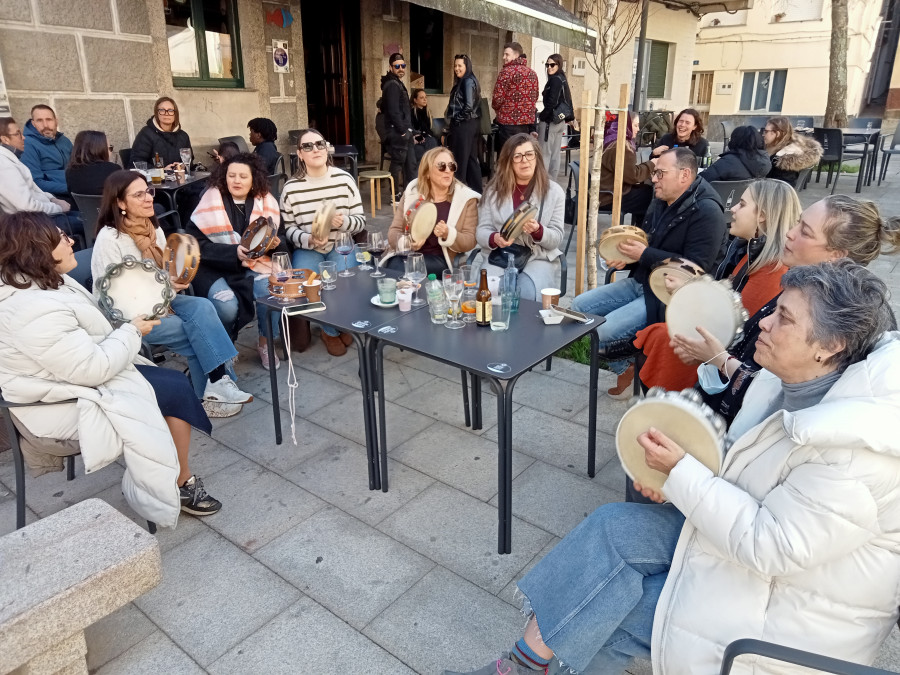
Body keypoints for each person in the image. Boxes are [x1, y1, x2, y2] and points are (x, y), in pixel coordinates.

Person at [444, 260, 900, 675]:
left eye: (784, 317)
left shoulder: (856, 451)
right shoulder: (788, 382)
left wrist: (683, 474)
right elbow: (747, 469)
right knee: (611, 527)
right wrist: (679, 478)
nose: (765, 321)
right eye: (773, 309)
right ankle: (523, 668)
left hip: (792, 611)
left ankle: (518, 670)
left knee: (615, 610)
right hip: (757, 562)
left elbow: (772, 546)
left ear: (831, 346)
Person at [0, 211, 223, 524]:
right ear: (37, 251)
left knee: (175, 378)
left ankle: (178, 468)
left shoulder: (46, 285)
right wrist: (132, 331)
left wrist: (158, 295)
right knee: (175, 390)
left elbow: (100, 323)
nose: (71, 241)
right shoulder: (31, 309)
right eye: (60, 238)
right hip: (59, 402)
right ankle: (180, 483)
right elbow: (90, 368)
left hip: (75, 376)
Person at [674, 194, 900, 428]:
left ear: (837, 255)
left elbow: (778, 397)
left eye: (805, 231)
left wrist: (719, 359)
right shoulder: (803, 289)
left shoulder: (837, 316)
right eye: (798, 222)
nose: (789, 233)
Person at [91, 170, 253, 418]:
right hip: (129, 316)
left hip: (161, 299)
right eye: (138, 194)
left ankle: (215, 388)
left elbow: (163, 272)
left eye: (148, 191)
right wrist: (164, 286)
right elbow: (113, 296)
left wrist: (171, 281)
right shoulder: (110, 239)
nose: (148, 198)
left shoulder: (152, 228)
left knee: (203, 306)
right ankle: (213, 389)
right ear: (120, 203)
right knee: (197, 333)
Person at [570, 148, 725, 386]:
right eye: (655, 172)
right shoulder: (662, 197)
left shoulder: (708, 211)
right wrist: (630, 257)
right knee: (579, 307)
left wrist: (644, 254)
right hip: (642, 280)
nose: (653, 178)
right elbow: (649, 240)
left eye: (660, 173)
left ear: (684, 175)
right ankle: (627, 366)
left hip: (668, 296)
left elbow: (696, 268)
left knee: (604, 331)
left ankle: (630, 363)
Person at [632, 179, 798, 397]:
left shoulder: (771, 270)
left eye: (742, 204)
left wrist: (688, 291)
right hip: (724, 354)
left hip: (728, 362)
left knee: (662, 337)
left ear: (763, 215)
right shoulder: (748, 252)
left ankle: (664, 404)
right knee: (660, 335)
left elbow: (731, 329)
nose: (734, 209)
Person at [186, 152, 288, 370]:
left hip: (255, 263)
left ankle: (265, 342)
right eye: (231, 175)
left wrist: (276, 243)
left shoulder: (267, 202)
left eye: (243, 176)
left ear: (254, 179)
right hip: (213, 267)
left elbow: (284, 240)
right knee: (227, 307)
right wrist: (234, 252)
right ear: (224, 177)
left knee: (272, 291)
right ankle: (226, 347)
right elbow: (194, 245)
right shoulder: (210, 200)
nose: (237, 180)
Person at [280, 129, 365, 356]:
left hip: (340, 244)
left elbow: (360, 222)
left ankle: (341, 324)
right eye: (307, 146)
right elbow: (288, 230)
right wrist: (308, 238)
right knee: (310, 283)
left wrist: (344, 222)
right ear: (300, 154)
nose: (315, 149)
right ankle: (330, 330)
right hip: (309, 248)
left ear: (326, 148)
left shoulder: (344, 180)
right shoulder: (290, 189)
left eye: (319, 144)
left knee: (347, 279)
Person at [476, 134, 564, 301]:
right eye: (517, 156)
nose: (525, 161)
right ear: (508, 162)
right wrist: (495, 238)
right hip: (501, 254)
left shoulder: (554, 192)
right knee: (488, 294)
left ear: (537, 157)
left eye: (529, 154)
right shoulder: (493, 191)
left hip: (537, 256)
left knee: (528, 295)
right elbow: (481, 231)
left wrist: (538, 231)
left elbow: (556, 238)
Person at [386, 146, 479, 277]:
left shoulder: (465, 198)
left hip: (442, 259)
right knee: (393, 266)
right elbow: (394, 231)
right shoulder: (412, 194)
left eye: (451, 166)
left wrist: (448, 234)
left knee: (401, 268)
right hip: (408, 254)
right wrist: (408, 243)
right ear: (427, 173)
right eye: (441, 166)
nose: (448, 170)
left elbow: (470, 240)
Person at [0, 117, 74, 219]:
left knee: (86, 217)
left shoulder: (11, 159)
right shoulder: (4, 166)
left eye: (49, 119)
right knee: (88, 222)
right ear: (5, 139)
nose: (23, 137)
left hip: (45, 214)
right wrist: (58, 208)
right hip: (34, 224)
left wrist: (52, 199)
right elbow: (27, 207)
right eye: (18, 134)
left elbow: (34, 189)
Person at [597, 111, 656, 227]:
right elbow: (632, 176)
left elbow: (628, 172)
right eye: (635, 125)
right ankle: (641, 233)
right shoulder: (621, 146)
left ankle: (639, 230)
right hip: (609, 197)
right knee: (650, 197)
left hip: (606, 192)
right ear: (626, 125)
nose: (638, 129)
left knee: (646, 190)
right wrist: (652, 164)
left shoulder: (614, 140)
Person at [444, 54, 483, 193]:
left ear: (467, 66)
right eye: (455, 65)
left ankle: (457, 193)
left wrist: (457, 120)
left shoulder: (467, 81)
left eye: (460, 65)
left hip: (464, 125)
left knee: (460, 159)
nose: (456, 68)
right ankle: (477, 193)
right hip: (470, 124)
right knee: (471, 160)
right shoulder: (468, 80)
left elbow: (468, 106)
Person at [492, 42, 539, 152]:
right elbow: (535, 97)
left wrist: (499, 111)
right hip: (526, 124)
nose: (504, 57)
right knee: (521, 155)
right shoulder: (533, 73)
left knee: (507, 157)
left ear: (516, 55)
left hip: (508, 124)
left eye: (507, 54)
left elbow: (497, 99)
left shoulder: (506, 72)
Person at [20, 104, 74, 200]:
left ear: (56, 121)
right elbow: (35, 182)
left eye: (49, 119)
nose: (45, 125)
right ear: (33, 124)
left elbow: (79, 167)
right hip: (52, 198)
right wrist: (72, 188)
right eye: (39, 120)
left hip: (73, 191)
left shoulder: (64, 141)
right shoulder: (28, 144)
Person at [380, 53, 416, 197]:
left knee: (409, 164)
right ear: (390, 67)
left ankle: (409, 193)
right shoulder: (392, 85)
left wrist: (408, 130)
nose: (401, 69)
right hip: (397, 131)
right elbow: (394, 111)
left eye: (403, 66)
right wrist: (402, 131)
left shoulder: (396, 83)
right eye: (397, 66)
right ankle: (394, 195)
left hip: (403, 130)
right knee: (398, 163)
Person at [537, 53, 573, 177]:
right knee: (555, 154)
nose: (549, 67)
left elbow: (551, 102)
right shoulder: (562, 78)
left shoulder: (555, 80)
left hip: (551, 122)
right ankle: (552, 184)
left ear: (559, 65)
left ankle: (545, 184)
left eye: (552, 64)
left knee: (545, 153)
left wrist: (542, 116)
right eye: (547, 64)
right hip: (560, 121)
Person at [131, 96, 193, 167]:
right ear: (157, 113)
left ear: (175, 114)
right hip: (155, 177)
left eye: (170, 110)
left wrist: (182, 166)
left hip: (179, 176)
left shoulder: (183, 136)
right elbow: (136, 162)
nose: (166, 113)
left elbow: (190, 161)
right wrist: (162, 171)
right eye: (162, 110)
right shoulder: (146, 134)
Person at [763, 116, 823, 187]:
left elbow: (782, 188)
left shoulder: (787, 158)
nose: (763, 134)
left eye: (766, 131)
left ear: (778, 134)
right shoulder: (771, 147)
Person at [699, 125, 771, 182]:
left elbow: (701, 180)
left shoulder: (728, 161)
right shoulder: (765, 160)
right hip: (746, 199)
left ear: (735, 140)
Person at [65, 130, 121, 196]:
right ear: (101, 150)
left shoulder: (70, 171)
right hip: (107, 206)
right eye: (110, 148)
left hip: (82, 206)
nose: (111, 152)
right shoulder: (113, 169)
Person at [410, 88, 439, 167]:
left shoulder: (427, 112)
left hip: (426, 138)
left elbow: (428, 130)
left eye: (425, 97)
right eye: (421, 98)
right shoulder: (412, 113)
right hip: (416, 139)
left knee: (432, 141)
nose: (425, 100)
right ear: (415, 100)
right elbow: (413, 129)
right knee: (431, 143)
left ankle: (428, 169)